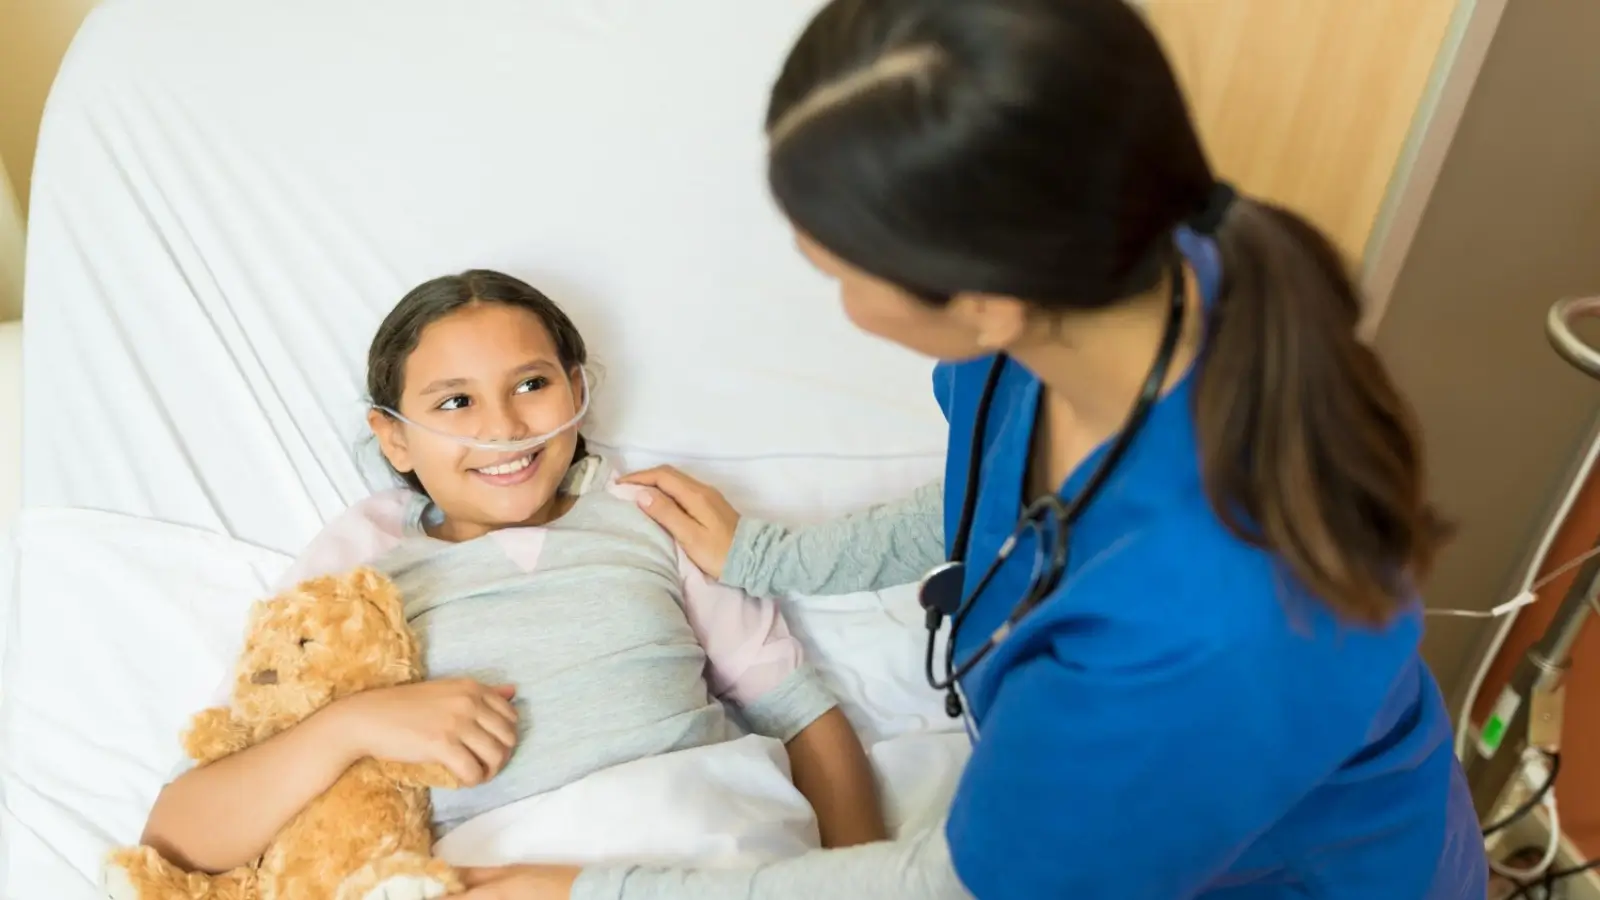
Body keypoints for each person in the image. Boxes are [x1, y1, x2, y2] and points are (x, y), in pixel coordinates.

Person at [453, 0, 1489, 898]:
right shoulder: (1091, 295)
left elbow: (954, 888)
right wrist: (771, 558)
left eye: (844, 273)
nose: (843, 304)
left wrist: (597, 889)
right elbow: (998, 496)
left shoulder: (1203, 617)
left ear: (988, 302)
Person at [137, 270, 887, 885]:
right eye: (455, 402)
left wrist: (860, 879)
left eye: (532, 384)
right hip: (495, 868)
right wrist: (354, 725)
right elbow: (178, 836)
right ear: (393, 438)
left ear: (577, 388)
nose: (503, 428)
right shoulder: (360, 566)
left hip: (699, 846)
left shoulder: (651, 514)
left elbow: (800, 714)